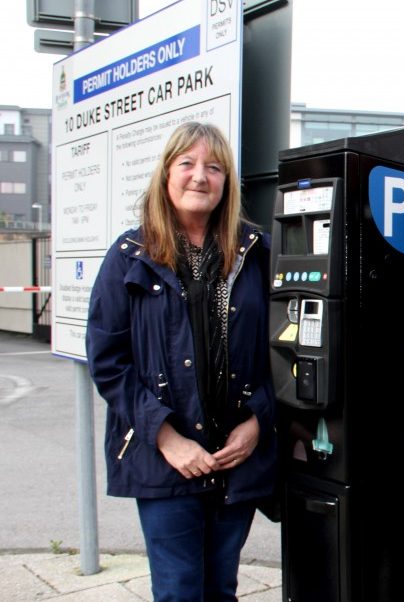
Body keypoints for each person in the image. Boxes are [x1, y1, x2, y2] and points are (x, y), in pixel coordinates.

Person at [86, 122, 276, 602]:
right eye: (187, 164)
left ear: (227, 182)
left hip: (236, 457)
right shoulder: (131, 256)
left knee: (222, 589)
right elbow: (109, 363)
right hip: (165, 461)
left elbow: (286, 350)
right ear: (166, 175)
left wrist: (259, 420)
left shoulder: (255, 252)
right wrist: (168, 439)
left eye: (214, 167)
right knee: (178, 592)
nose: (200, 176)